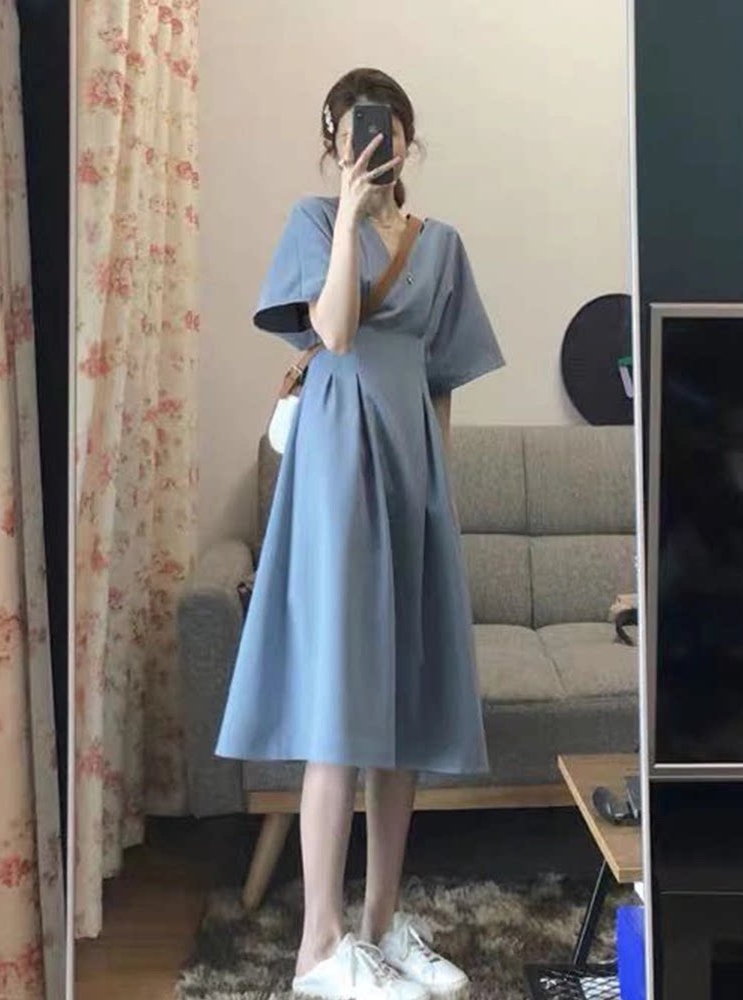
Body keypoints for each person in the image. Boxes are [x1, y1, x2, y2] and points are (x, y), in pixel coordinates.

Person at [215, 67, 505, 1000]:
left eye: (383, 129)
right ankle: (317, 948)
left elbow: (442, 379)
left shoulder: (441, 245)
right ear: (333, 143)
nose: (370, 143)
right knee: (341, 701)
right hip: (338, 473)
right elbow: (335, 332)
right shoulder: (311, 223)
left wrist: (438, 494)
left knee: (402, 711)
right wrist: (347, 217)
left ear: (408, 139)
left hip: (412, 474)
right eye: (350, 131)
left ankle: (378, 927)